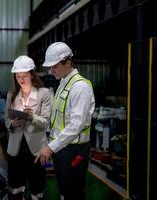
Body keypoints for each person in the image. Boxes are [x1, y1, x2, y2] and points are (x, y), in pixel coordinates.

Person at [35, 42, 95, 200]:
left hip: (74, 149)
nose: (51, 71)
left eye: (54, 66)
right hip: (62, 148)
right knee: (64, 192)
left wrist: (50, 147)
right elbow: (58, 120)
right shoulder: (63, 84)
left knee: (73, 194)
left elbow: (75, 125)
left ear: (68, 63)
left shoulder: (80, 87)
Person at [4, 55, 51, 200]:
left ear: (31, 74)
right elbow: (6, 119)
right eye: (18, 76)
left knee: (36, 191)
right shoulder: (11, 95)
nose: (21, 80)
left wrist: (32, 117)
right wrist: (12, 124)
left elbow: (46, 122)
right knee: (14, 189)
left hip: (36, 150)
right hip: (15, 150)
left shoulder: (44, 94)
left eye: (24, 76)